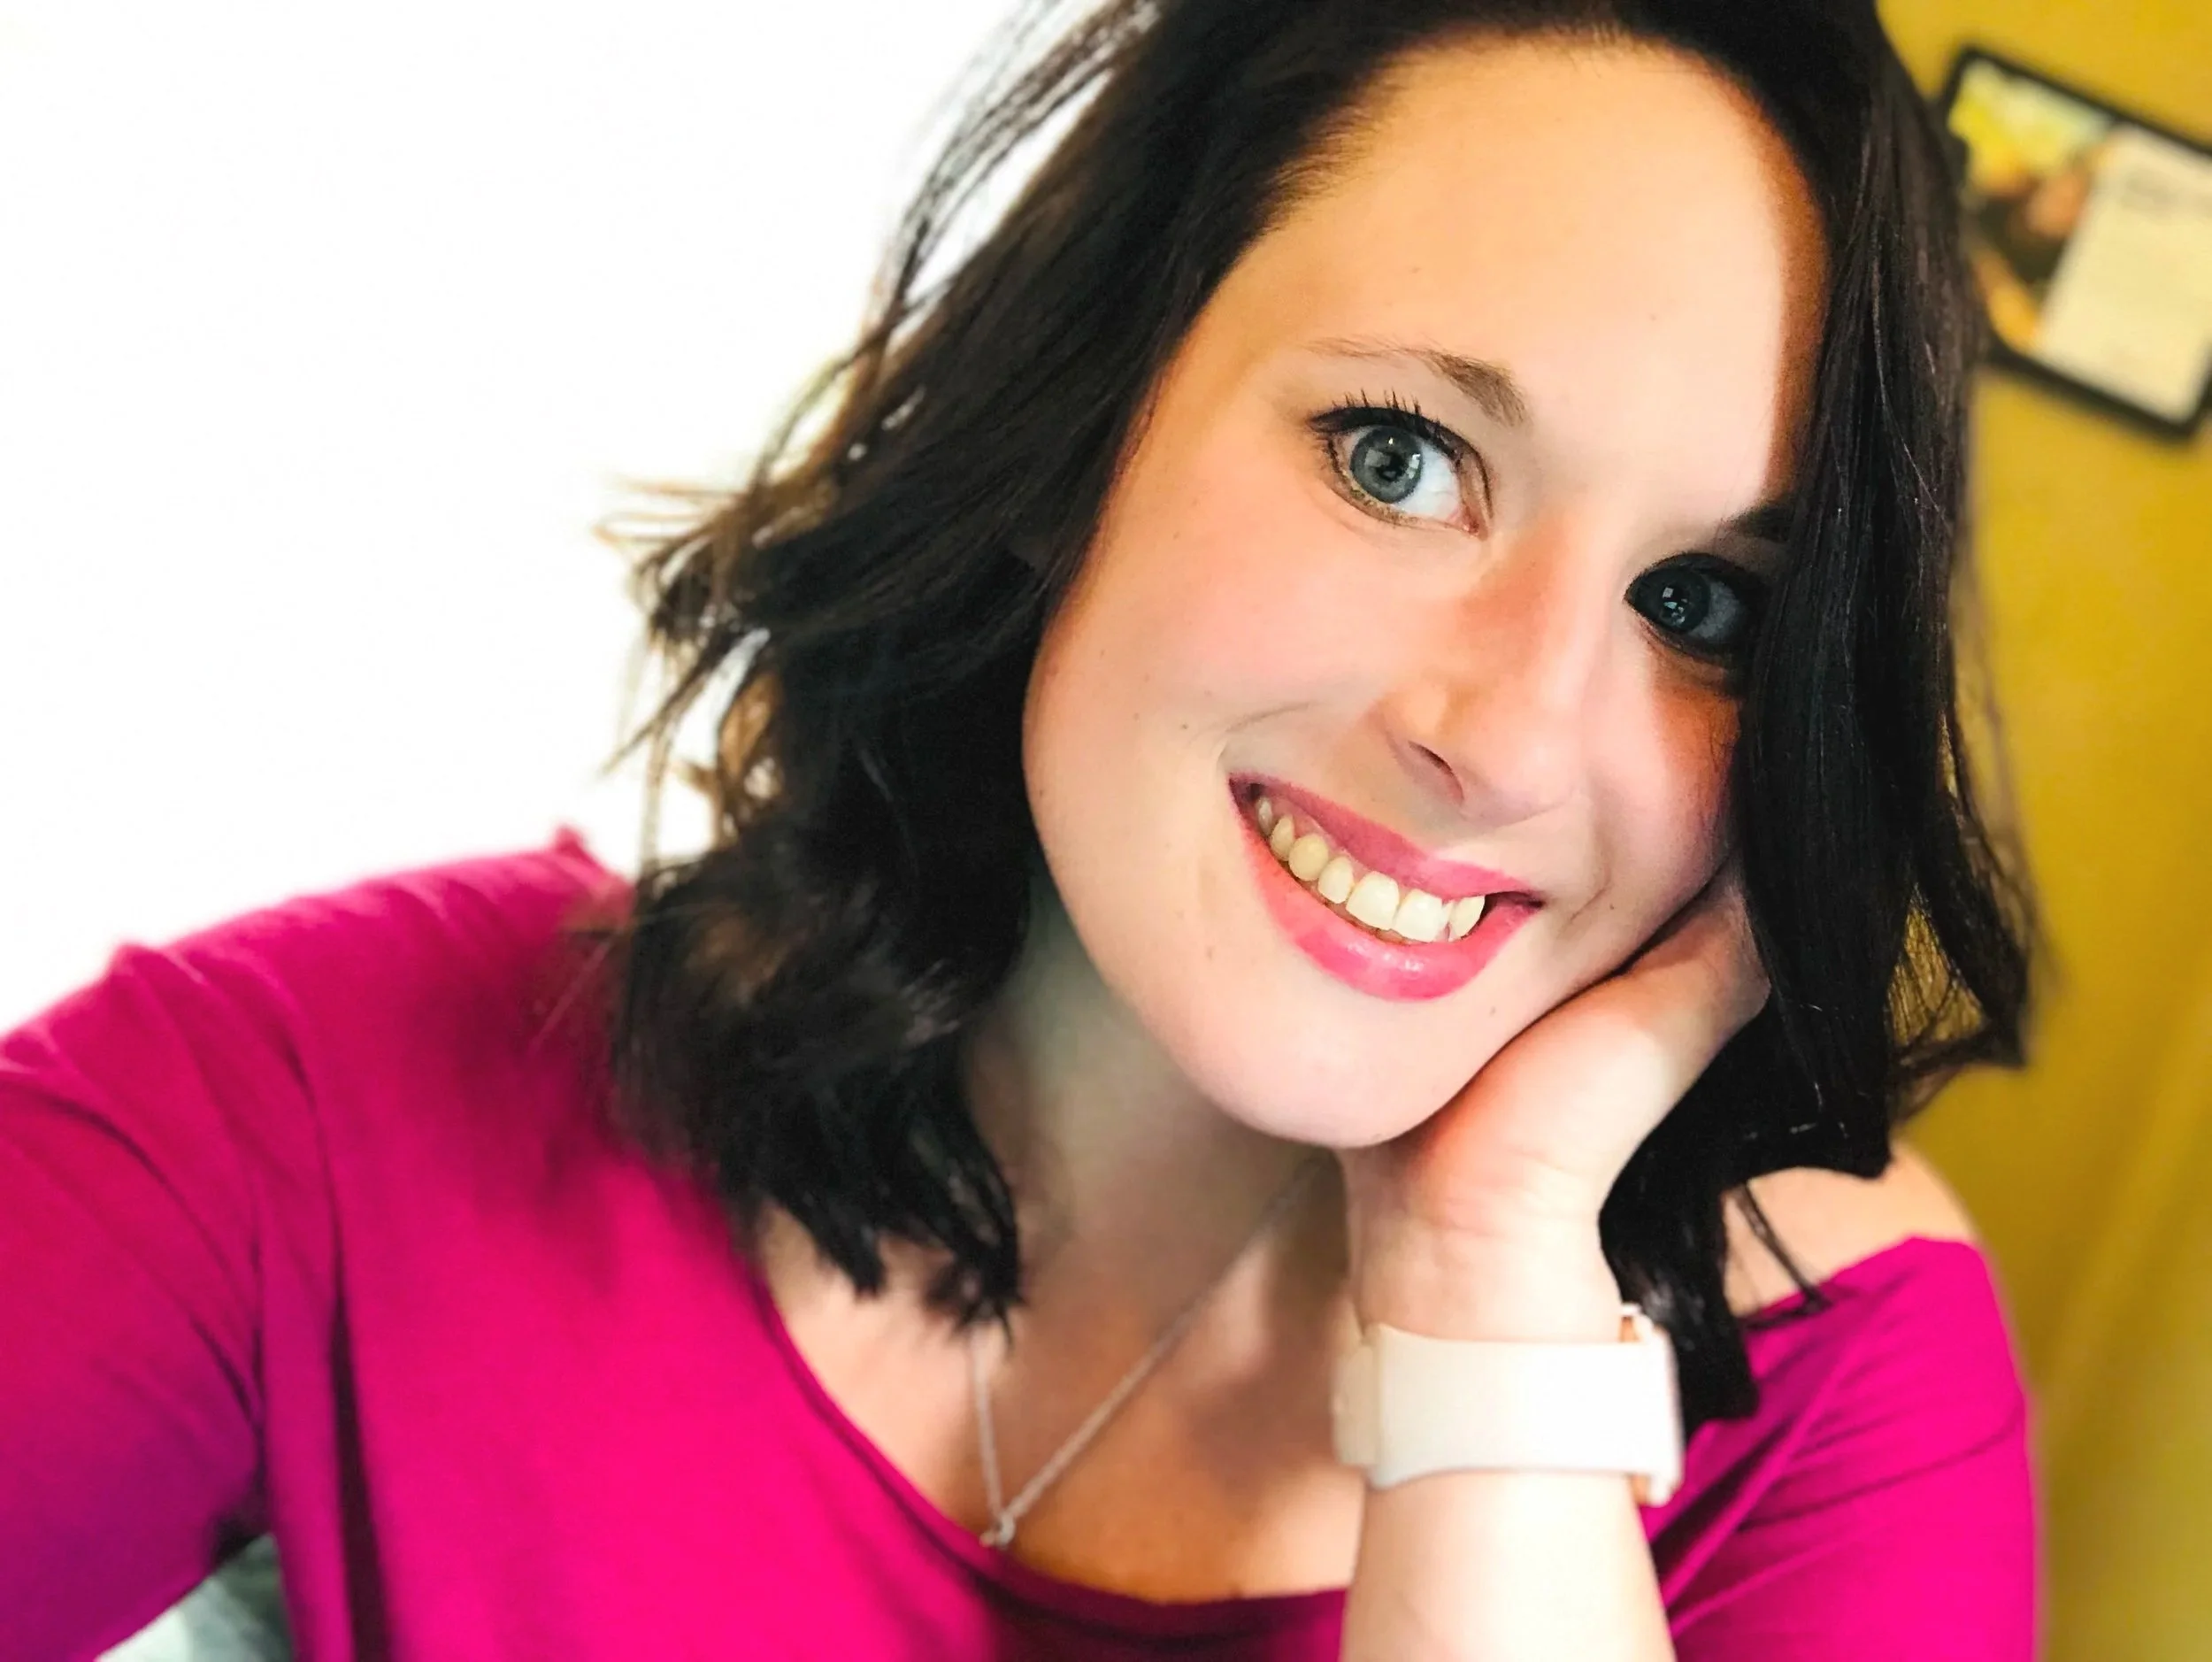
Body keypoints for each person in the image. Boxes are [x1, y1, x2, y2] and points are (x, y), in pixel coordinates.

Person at [2, 0, 2039, 1656]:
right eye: (1399, 457)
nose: (1508, 736)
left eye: (1701, 609)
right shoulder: (334, 1107)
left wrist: (1488, 1292)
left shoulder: (1841, 1402)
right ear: (1087, 411)